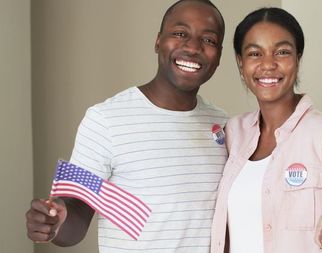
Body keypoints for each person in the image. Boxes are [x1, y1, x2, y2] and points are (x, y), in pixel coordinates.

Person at [25, 0, 227, 252]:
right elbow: (74, 214)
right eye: (179, 33)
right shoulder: (105, 119)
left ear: (219, 55)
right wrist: (55, 221)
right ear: (157, 41)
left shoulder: (224, 126)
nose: (193, 47)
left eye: (208, 40)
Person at [210, 7, 322, 253]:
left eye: (282, 52)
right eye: (255, 53)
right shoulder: (233, 132)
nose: (268, 64)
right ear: (241, 63)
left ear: (298, 58)